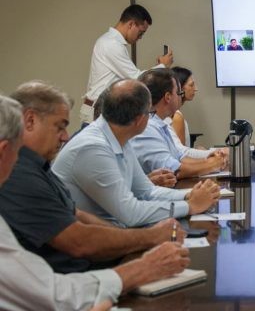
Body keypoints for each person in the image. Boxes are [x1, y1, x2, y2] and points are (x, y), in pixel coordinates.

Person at [0, 94, 190, 310]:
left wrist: (135, 244)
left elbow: (77, 215)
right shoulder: (24, 173)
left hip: (81, 277)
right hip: (74, 280)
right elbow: (54, 291)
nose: (65, 137)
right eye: (59, 127)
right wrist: (144, 262)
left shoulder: (38, 166)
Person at [52, 79, 220, 227]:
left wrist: (190, 194)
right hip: (97, 243)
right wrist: (190, 206)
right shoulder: (93, 148)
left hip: (114, 231)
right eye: (150, 113)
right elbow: (130, 213)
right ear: (140, 119)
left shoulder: (119, 137)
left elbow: (147, 192)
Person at [80, 4, 173, 125]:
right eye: (141, 33)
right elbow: (137, 79)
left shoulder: (110, 41)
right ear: (131, 24)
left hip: (100, 110)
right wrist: (162, 66)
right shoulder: (112, 44)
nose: (140, 38)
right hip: (98, 112)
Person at [132, 68, 227, 178]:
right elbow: (173, 170)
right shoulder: (147, 127)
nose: (180, 97)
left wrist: (209, 158)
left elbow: (181, 157)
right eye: (179, 93)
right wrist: (212, 164)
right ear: (168, 97)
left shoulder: (160, 124)